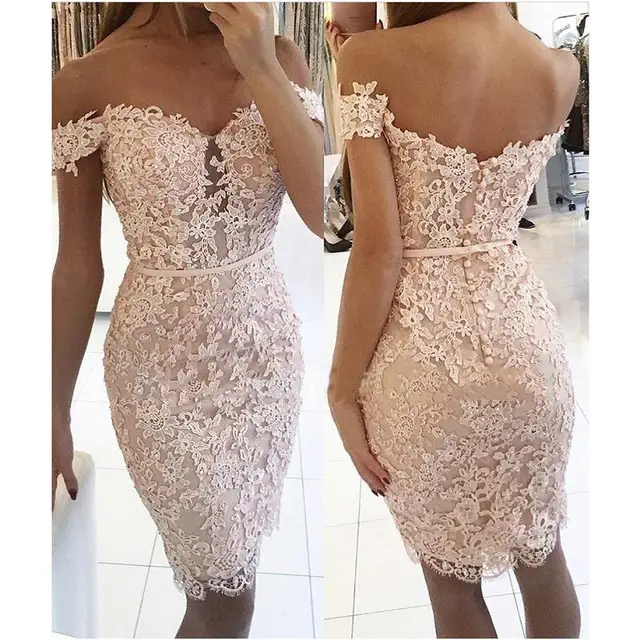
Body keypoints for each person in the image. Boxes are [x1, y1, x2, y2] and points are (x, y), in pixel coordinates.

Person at [52, 3, 323, 638]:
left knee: (235, 575)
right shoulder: (86, 81)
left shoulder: (282, 56)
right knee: (224, 599)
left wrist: (260, 65)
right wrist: (52, 409)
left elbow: (319, 212)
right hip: (160, 379)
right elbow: (77, 267)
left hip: (265, 362)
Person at [328, 3, 580, 638]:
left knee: (452, 584)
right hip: (527, 348)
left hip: (424, 364)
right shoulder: (559, 68)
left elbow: (378, 248)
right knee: (544, 557)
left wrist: (340, 391)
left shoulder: (368, 60)